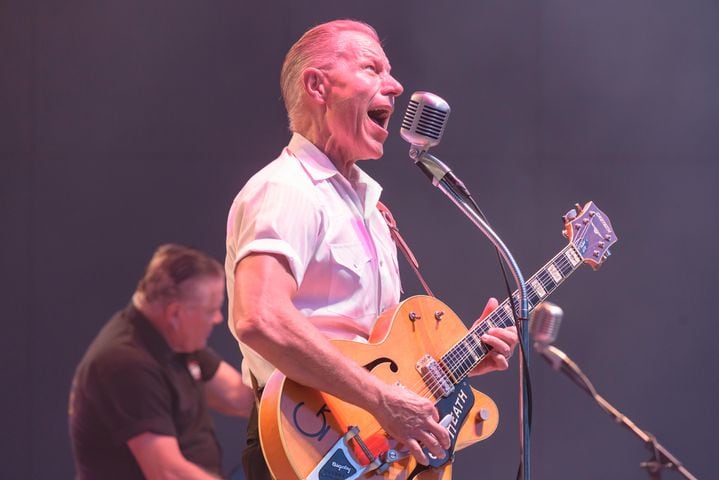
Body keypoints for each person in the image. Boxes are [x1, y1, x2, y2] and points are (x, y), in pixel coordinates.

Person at [225, 19, 519, 479]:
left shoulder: (369, 208)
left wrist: (456, 363)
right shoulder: (288, 188)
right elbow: (258, 318)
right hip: (313, 450)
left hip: (369, 448)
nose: (397, 85)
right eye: (372, 68)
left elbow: (374, 350)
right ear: (318, 86)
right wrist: (381, 399)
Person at [69, 244, 255, 480]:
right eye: (211, 310)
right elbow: (168, 473)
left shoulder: (178, 340)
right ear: (175, 314)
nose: (218, 319)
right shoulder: (126, 363)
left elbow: (239, 397)